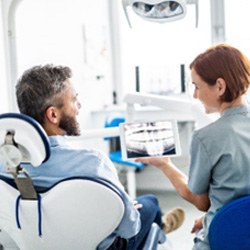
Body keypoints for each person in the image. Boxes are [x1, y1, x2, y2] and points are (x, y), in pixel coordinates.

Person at [0, 64, 185, 250]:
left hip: (37, 242)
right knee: (150, 203)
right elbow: (130, 229)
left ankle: (162, 227)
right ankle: (161, 227)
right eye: (74, 100)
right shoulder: (93, 163)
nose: (79, 105)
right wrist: (128, 208)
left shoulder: (5, 165)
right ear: (53, 114)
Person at [136, 43, 250, 249]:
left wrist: (164, 165)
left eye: (197, 86)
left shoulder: (206, 138)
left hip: (222, 239)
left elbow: (201, 202)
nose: (195, 95)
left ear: (220, 87)